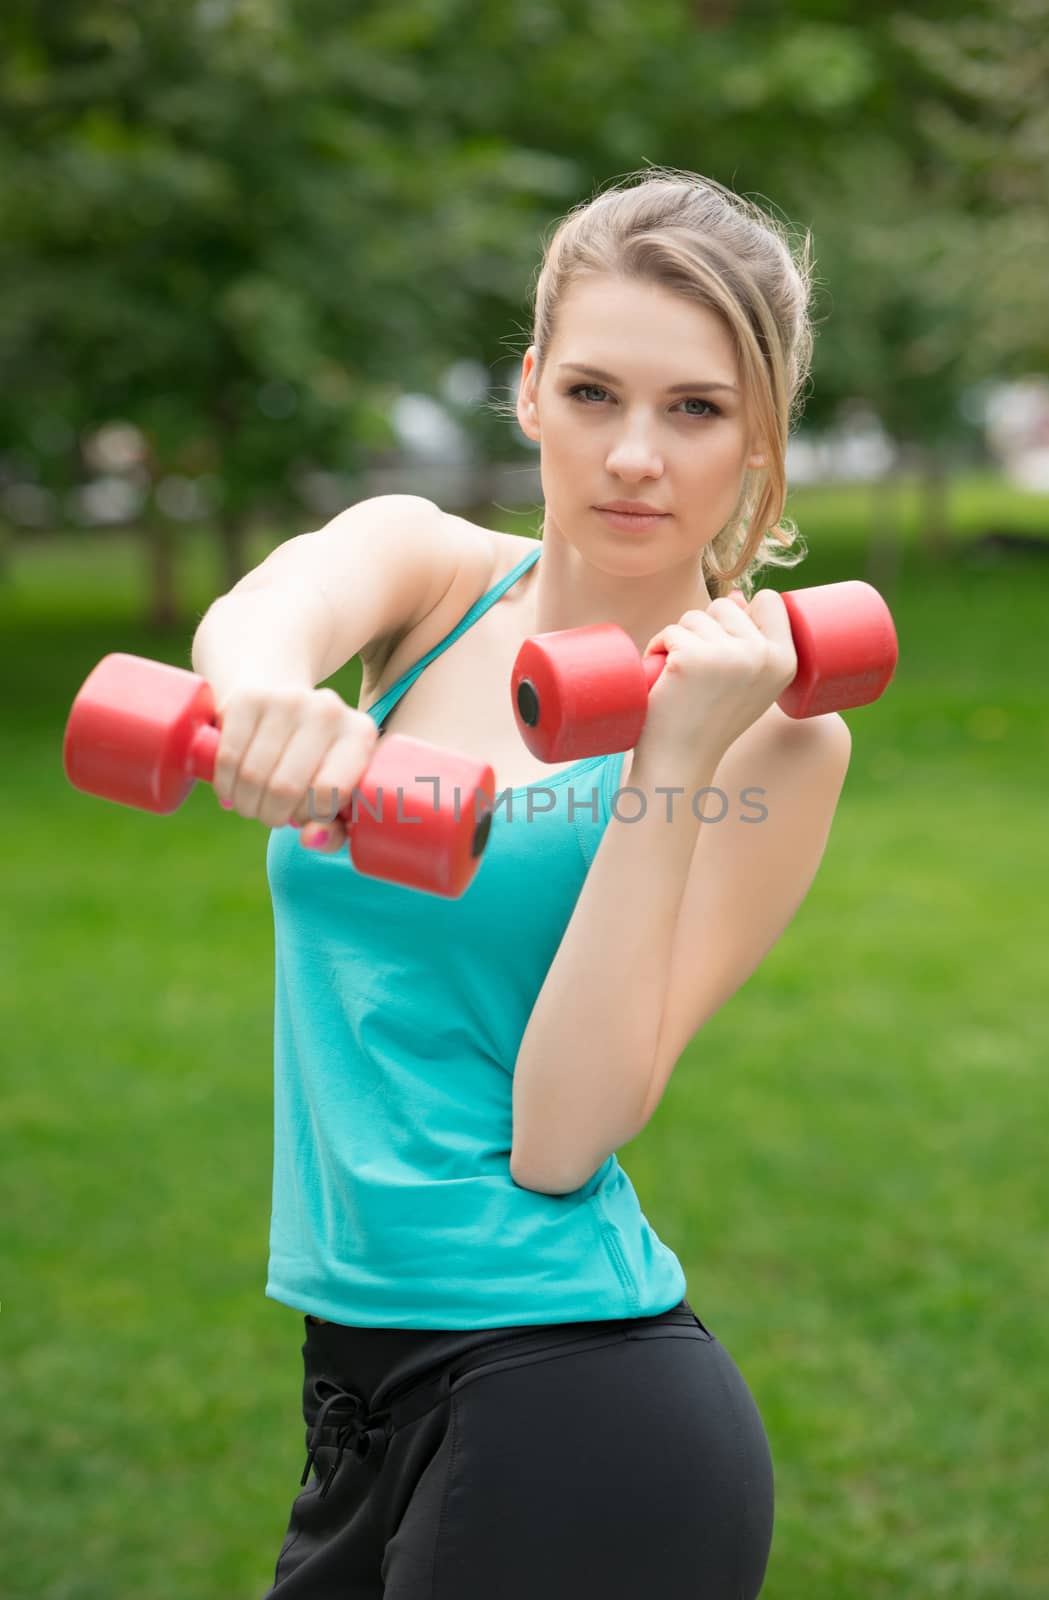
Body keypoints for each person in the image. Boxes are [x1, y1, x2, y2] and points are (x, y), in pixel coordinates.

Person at [191, 165, 847, 1599]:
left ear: (760, 443)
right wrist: (263, 696)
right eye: (598, 394)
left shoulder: (784, 739)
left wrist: (670, 760)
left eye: (697, 410)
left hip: (575, 1405)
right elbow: (265, 608)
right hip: (356, 1381)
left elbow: (562, 1136)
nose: (634, 456)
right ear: (533, 390)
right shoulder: (426, 575)